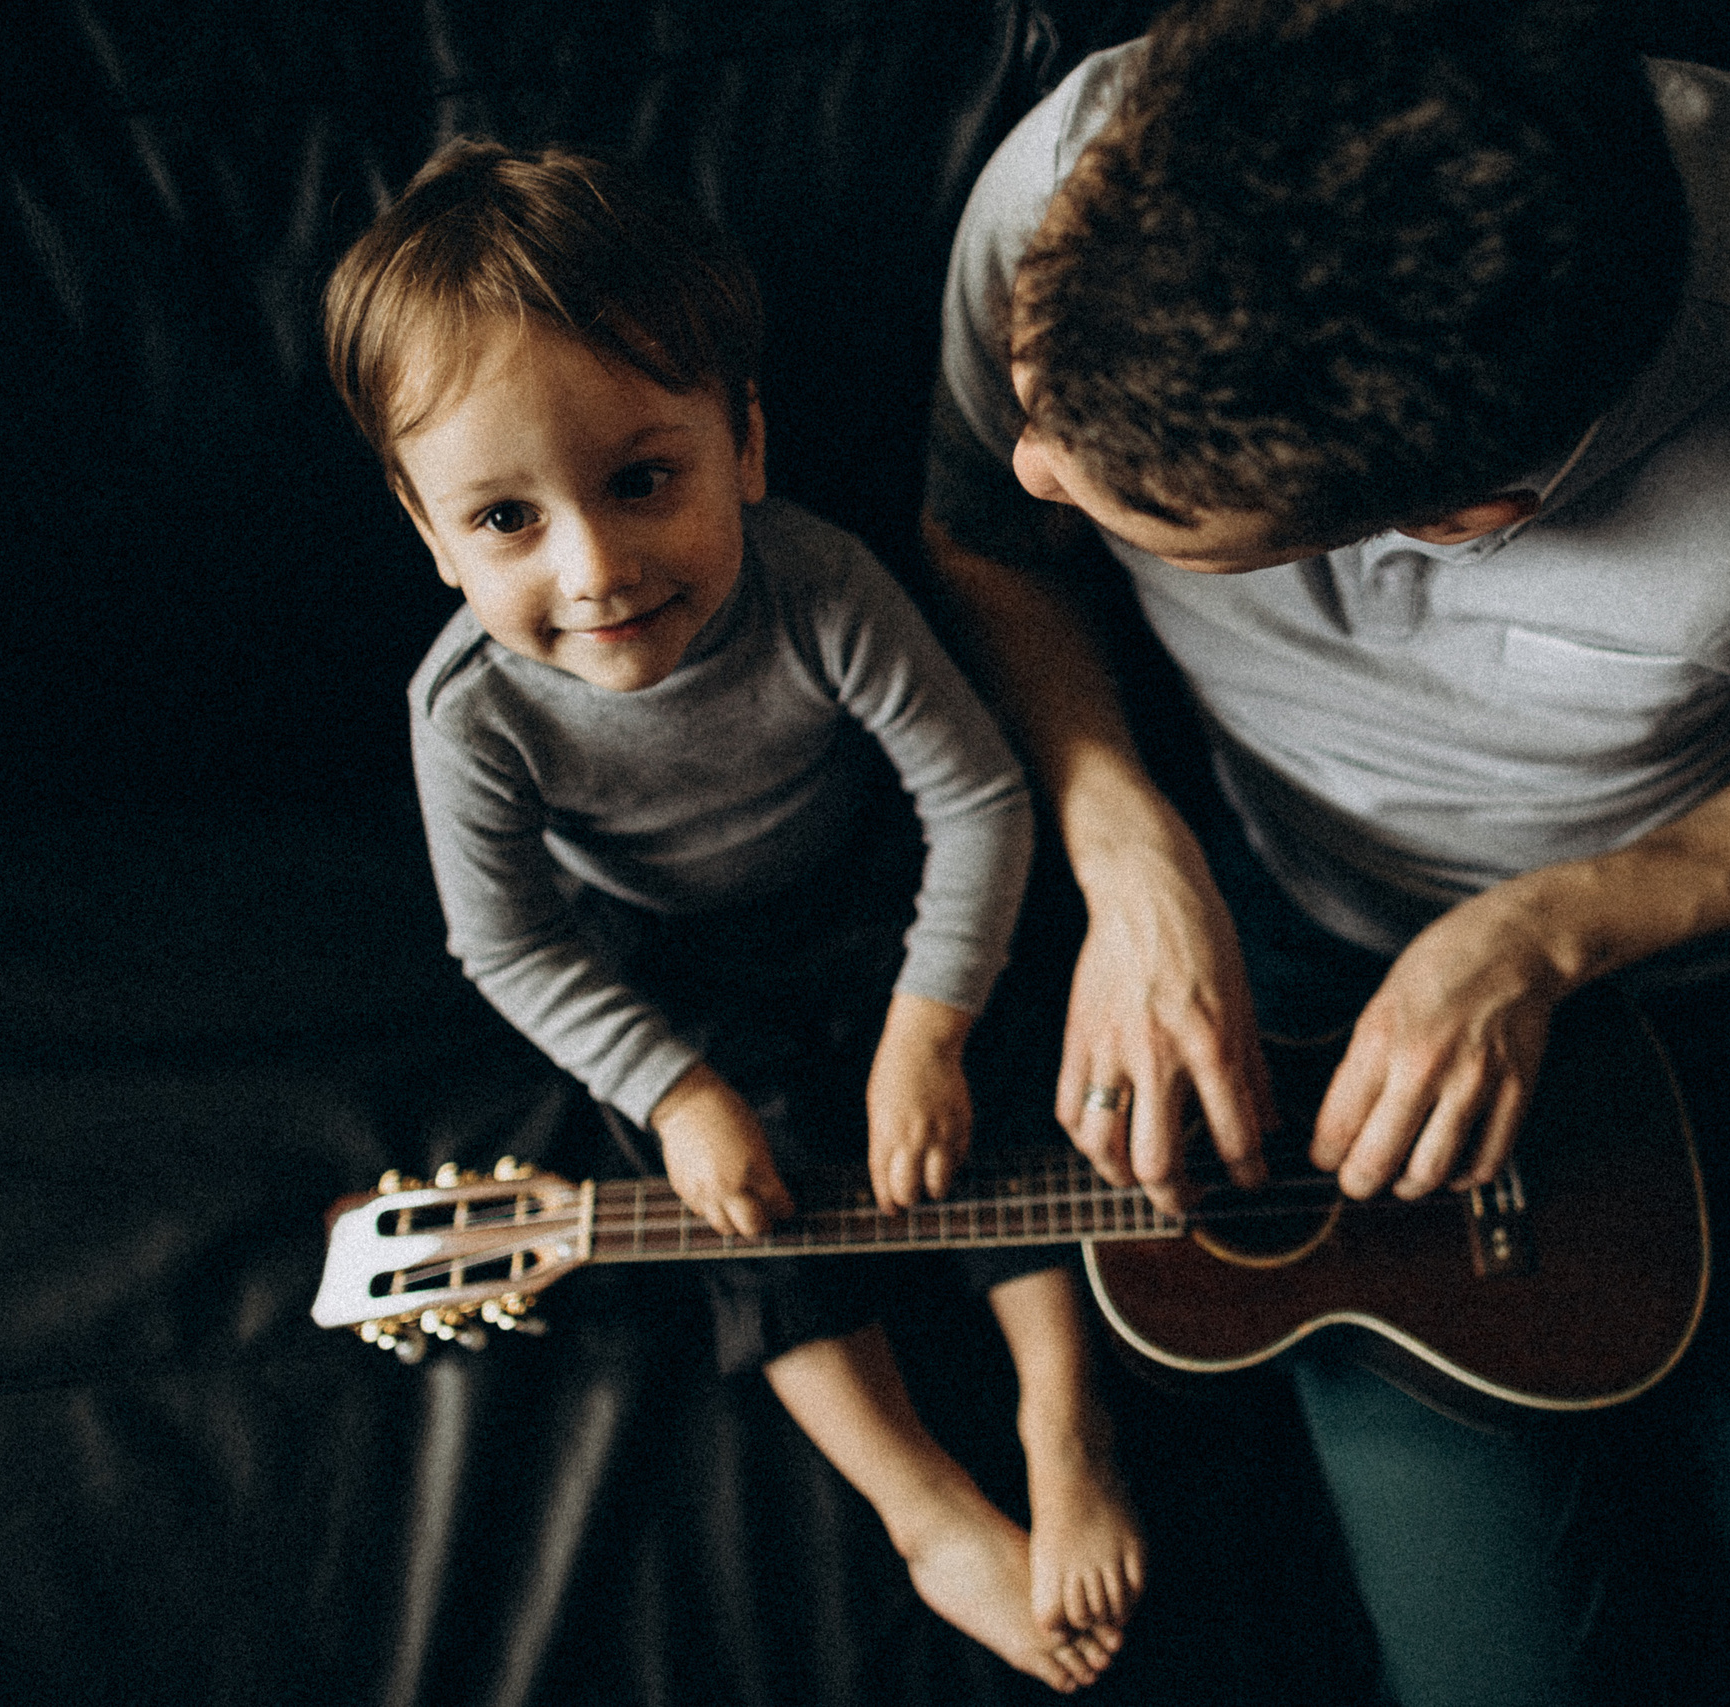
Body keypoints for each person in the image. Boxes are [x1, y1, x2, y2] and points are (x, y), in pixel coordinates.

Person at [922, 1, 1730, 1703]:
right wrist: (1129, 852)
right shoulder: (1078, 188)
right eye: (1035, 407)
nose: (1034, 461)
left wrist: (1537, 937)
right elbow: (985, 541)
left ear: (1464, 522)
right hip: (1300, 957)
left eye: (1137, 515)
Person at [323, 138, 1143, 1694]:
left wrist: (931, 1022)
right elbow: (506, 943)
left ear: (745, 444)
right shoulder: (470, 715)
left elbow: (978, 801)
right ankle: (922, 1505)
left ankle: (1062, 1408)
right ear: (430, 531)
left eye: (643, 481)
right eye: (505, 520)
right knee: (740, 1215)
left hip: (873, 892)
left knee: (1014, 1104)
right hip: (672, 965)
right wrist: (676, 1093)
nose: (597, 568)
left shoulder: (821, 588)